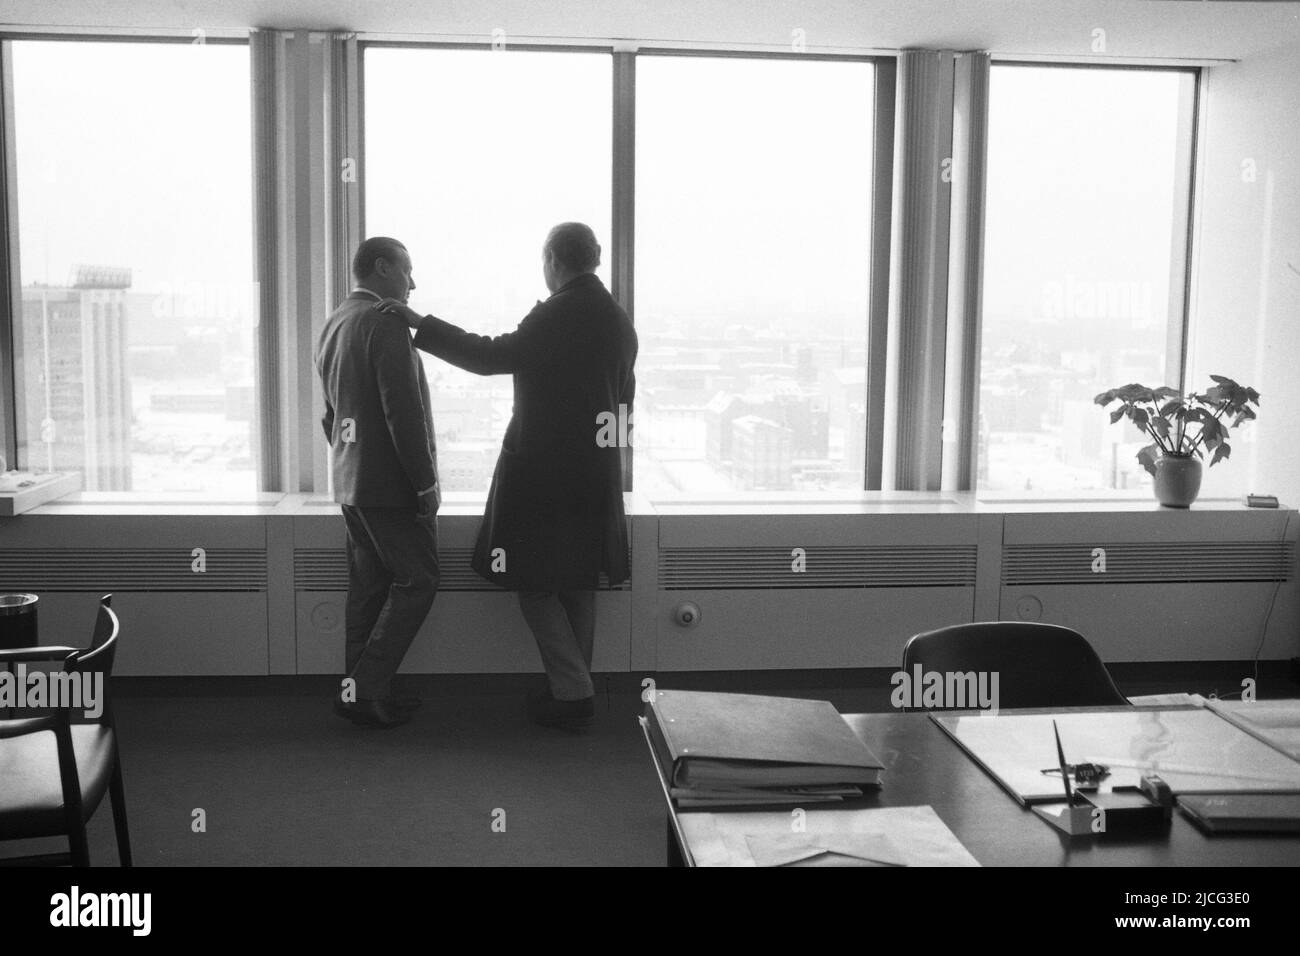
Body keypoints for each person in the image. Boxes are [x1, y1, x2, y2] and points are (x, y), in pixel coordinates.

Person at [380, 223, 636, 729]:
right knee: (578, 583)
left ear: (552, 260)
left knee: (533, 579)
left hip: (545, 472)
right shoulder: (617, 320)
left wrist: (420, 324)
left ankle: (574, 690)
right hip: (595, 471)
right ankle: (570, 689)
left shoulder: (557, 313)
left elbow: (489, 356)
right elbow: (625, 402)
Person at [315, 237, 441, 729]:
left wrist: (353, 461)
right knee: (420, 580)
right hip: (389, 488)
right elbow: (402, 413)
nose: (412, 283)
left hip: (350, 481)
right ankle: (367, 690)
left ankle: (359, 689)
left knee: (368, 588)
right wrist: (425, 483)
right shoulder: (384, 321)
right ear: (383, 268)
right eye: (407, 271)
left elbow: (331, 417)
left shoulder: (336, 321)